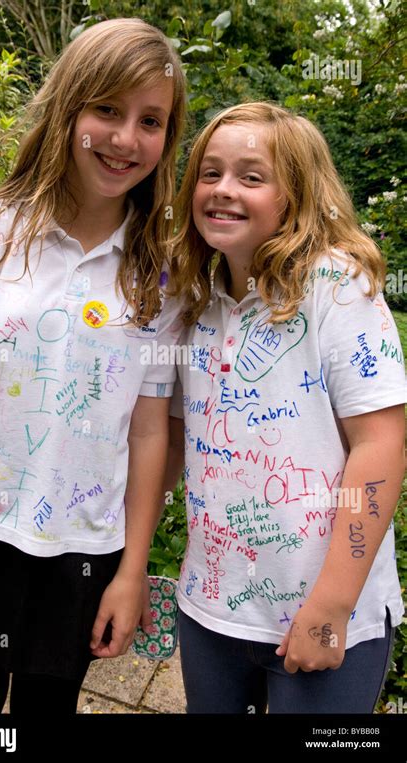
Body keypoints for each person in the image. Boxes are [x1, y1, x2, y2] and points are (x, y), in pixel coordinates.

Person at [0, 17, 186, 716]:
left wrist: (133, 569)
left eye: (151, 120)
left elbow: (148, 434)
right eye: (107, 109)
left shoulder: (159, 276)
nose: (125, 138)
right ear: (69, 105)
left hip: (86, 548)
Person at [166, 101, 406, 713]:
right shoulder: (196, 300)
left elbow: (381, 447)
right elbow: (169, 441)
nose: (223, 191)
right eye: (210, 172)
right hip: (212, 609)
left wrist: (331, 604)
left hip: (325, 616)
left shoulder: (337, 287)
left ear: (296, 195)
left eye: (251, 176)